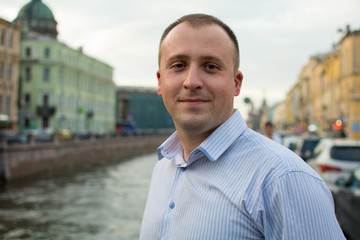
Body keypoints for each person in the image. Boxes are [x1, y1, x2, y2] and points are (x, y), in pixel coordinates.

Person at [140, 13, 345, 239]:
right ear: (160, 81)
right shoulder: (163, 168)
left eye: (210, 66)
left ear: (236, 83)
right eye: (178, 65)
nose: (192, 81)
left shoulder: (284, 179)